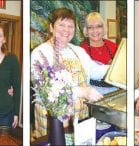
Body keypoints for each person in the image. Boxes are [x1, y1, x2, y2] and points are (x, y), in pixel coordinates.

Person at [31, 8, 109, 137]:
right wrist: (83, 91)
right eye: (61, 25)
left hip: (80, 115)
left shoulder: (78, 51)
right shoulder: (39, 53)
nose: (66, 30)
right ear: (51, 27)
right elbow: (45, 90)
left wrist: (118, 67)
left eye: (70, 26)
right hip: (53, 119)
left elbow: (96, 70)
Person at [80, 12, 118, 92]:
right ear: (86, 31)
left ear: (103, 28)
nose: (95, 31)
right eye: (90, 27)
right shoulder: (81, 50)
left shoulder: (113, 46)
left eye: (98, 26)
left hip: (115, 91)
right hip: (93, 94)